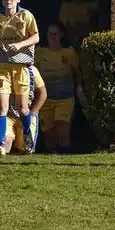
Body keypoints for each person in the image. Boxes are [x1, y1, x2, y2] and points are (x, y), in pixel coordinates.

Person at [0, 0, 40, 156]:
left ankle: (27, 133)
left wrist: (19, 44)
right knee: (2, 107)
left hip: (22, 67)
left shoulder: (26, 16)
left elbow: (36, 37)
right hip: (3, 67)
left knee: (22, 108)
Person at [38, 22, 86, 152]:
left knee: (62, 129)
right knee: (49, 135)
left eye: (55, 34)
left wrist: (79, 87)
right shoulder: (40, 53)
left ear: (61, 35)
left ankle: (66, 156)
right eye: (50, 34)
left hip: (65, 98)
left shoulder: (69, 52)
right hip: (45, 100)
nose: (53, 37)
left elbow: (78, 73)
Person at [0, 66, 46, 155]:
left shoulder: (32, 71)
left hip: (26, 115)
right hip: (8, 114)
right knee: (4, 145)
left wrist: (32, 113)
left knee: (25, 150)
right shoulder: (2, 68)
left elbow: (42, 94)